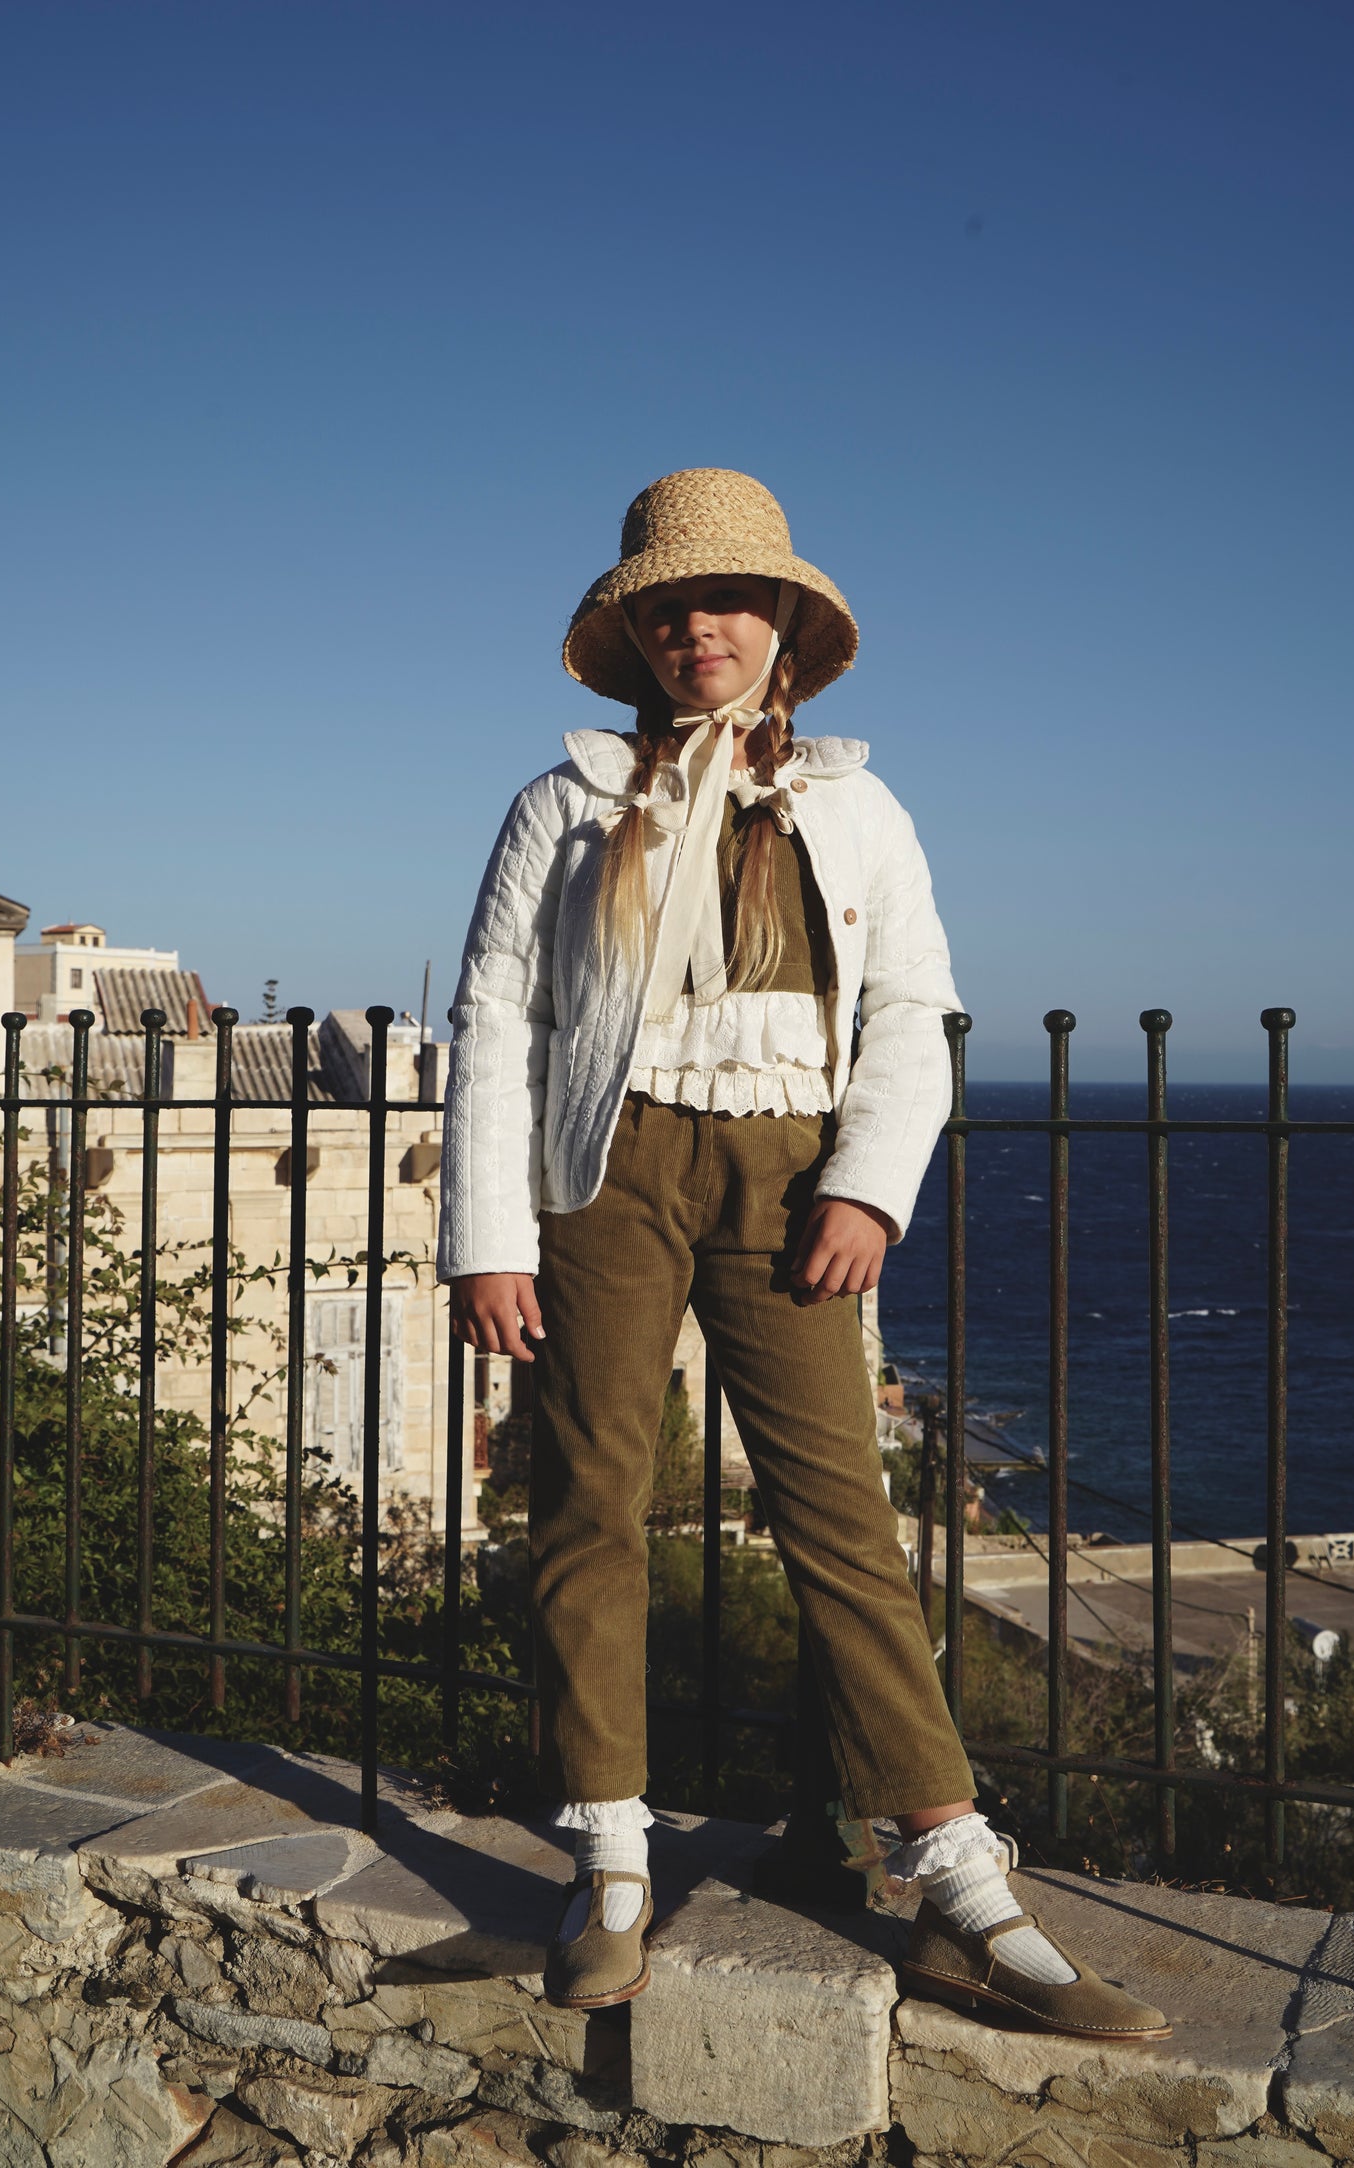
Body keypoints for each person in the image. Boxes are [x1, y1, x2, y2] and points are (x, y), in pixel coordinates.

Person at [437, 469, 1168, 2043]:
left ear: (782, 625)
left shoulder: (856, 804)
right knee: (586, 1506)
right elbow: (495, 1020)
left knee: (842, 1514)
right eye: (670, 606)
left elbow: (912, 1013)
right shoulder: (560, 801)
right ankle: (609, 1865)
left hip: (791, 1181)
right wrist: (488, 1236)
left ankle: (956, 1875)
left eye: (729, 600)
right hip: (601, 1173)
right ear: (635, 633)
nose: (700, 626)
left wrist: (868, 1190)